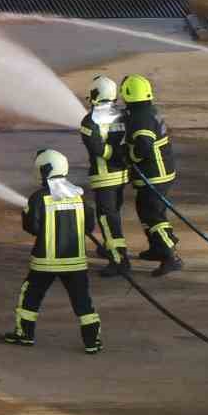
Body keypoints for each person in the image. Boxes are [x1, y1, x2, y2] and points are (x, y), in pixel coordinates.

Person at [4, 148, 102, 353]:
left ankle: (25, 334)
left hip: (45, 262)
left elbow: (32, 227)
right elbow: (89, 227)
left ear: (43, 170)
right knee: (82, 301)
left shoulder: (39, 198)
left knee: (30, 297)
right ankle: (92, 342)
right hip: (76, 262)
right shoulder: (79, 197)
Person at [119, 75, 184, 277]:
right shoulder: (146, 112)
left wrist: (129, 155)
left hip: (154, 175)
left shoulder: (141, 119)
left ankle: (169, 256)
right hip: (161, 172)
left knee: (153, 215)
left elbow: (143, 147)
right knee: (147, 210)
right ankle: (157, 247)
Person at [79, 74, 130, 277]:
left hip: (104, 176)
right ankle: (111, 248)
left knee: (107, 218)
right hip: (122, 175)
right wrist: (121, 156)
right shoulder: (122, 115)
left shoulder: (90, 121)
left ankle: (119, 259)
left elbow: (96, 149)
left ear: (93, 94)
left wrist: (113, 155)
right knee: (114, 214)